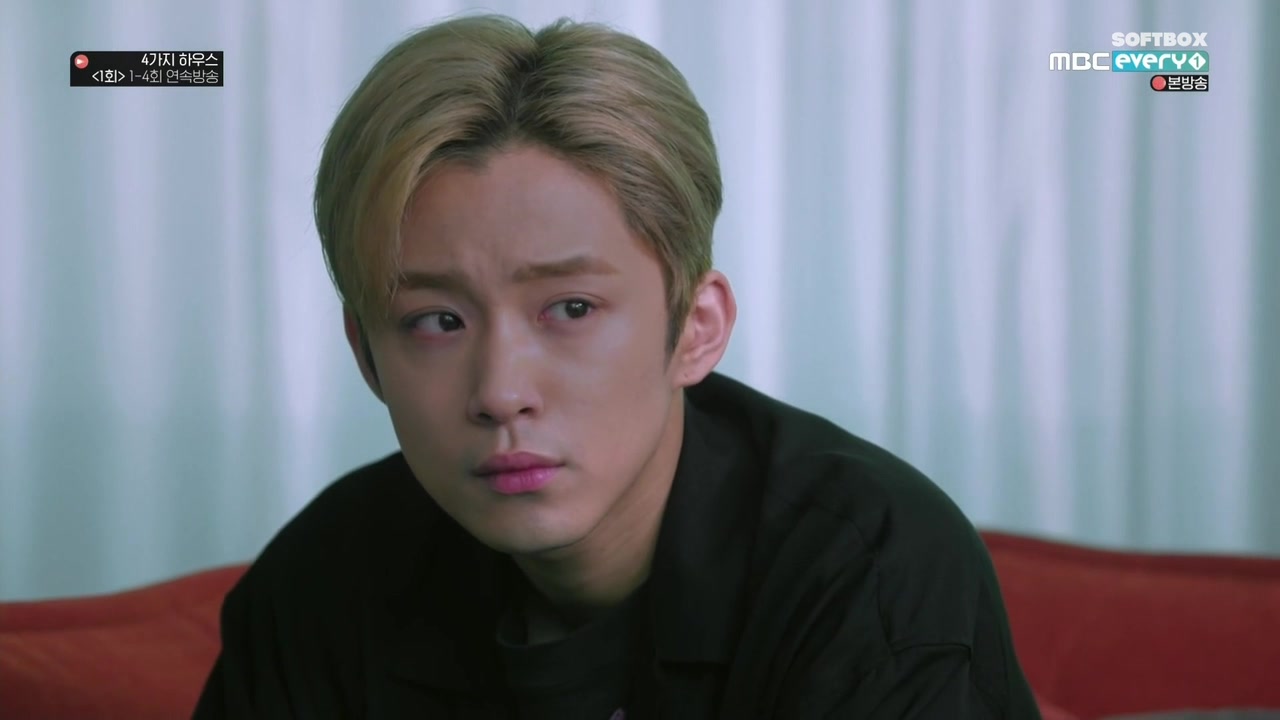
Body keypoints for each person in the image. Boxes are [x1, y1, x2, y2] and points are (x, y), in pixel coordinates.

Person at [194, 12, 1041, 719]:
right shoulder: (322, 585)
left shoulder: (867, 573)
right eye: (437, 321)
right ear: (366, 357)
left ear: (696, 330)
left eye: (571, 309)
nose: (501, 393)